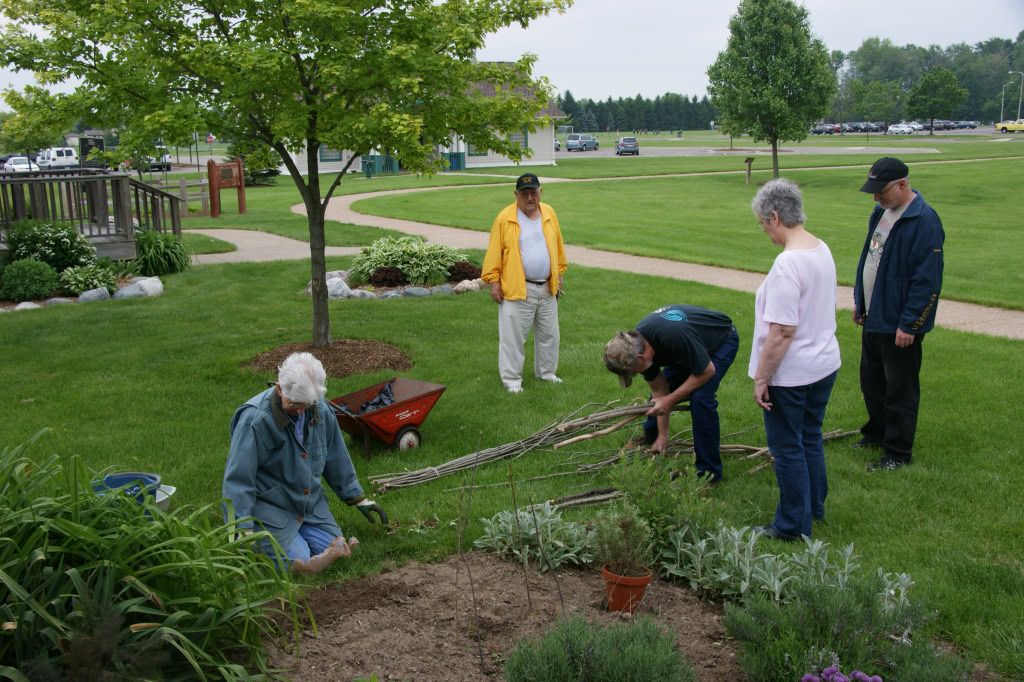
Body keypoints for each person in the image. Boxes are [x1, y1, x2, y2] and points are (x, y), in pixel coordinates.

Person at [222, 352, 388, 574]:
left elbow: (336, 456)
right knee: (299, 558)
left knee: (330, 545)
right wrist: (240, 528)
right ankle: (297, 558)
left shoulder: (320, 409)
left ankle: (311, 554)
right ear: (280, 389)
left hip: (309, 506)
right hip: (271, 508)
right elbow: (238, 479)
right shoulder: (255, 421)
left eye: (306, 405)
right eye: (294, 405)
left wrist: (357, 497)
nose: (301, 412)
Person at [748, 179, 841, 541]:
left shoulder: (788, 264)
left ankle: (791, 525)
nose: (764, 231)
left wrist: (761, 377)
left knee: (787, 447)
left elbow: (782, 331)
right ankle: (813, 506)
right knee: (810, 436)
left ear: (775, 216)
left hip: (794, 373)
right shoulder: (821, 248)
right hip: (824, 363)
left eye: (763, 223)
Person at [853, 158, 944, 471]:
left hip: (899, 323)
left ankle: (897, 453)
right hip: (874, 315)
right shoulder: (881, 212)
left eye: (882, 191)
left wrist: (910, 324)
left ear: (902, 184)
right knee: (872, 382)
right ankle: (876, 433)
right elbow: (870, 258)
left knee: (900, 389)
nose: (877, 197)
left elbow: (927, 280)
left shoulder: (924, 220)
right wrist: (860, 301)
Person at [603, 305, 739, 483]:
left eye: (632, 372)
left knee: (701, 399)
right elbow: (660, 391)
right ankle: (653, 437)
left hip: (720, 342)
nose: (635, 375)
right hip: (685, 350)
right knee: (657, 400)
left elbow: (707, 371)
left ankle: (709, 474)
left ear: (642, 359)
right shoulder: (636, 345)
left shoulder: (673, 337)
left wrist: (670, 400)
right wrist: (663, 435)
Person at [481, 172, 568, 394]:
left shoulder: (548, 212)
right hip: (518, 288)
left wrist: (558, 274)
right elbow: (494, 252)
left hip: (547, 287)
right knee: (513, 338)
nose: (530, 198)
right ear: (516, 195)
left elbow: (557, 246)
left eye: (533, 192)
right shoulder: (505, 218)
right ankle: (512, 381)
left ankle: (547, 374)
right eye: (524, 194)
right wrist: (493, 281)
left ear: (540, 192)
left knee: (550, 335)